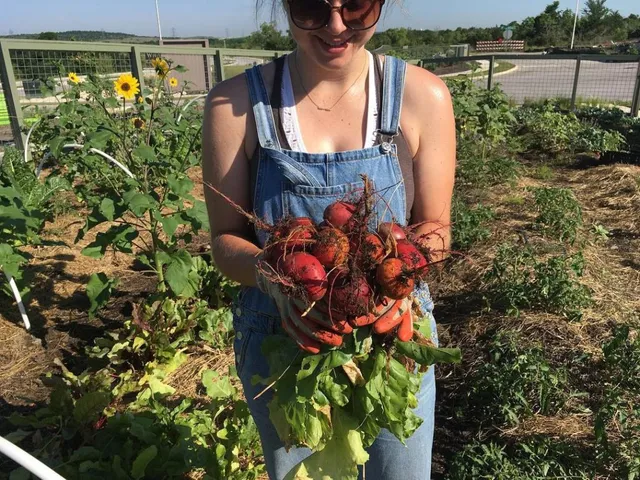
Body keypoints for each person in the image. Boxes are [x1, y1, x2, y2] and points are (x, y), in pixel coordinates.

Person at [202, 0, 456, 478]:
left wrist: (398, 280)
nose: (337, 26)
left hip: (393, 340)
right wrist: (277, 281)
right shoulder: (233, 106)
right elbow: (225, 239)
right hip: (282, 343)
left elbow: (435, 229)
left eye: (357, 6)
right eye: (311, 8)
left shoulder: (423, 96)